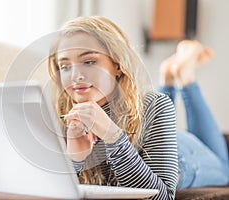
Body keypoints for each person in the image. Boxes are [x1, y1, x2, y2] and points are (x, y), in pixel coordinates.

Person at [48, 16, 178, 200]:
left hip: (187, 158)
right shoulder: (60, 114)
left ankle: (175, 78)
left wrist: (112, 135)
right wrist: (74, 160)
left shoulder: (156, 105)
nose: (76, 76)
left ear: (117, 65)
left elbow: (163, 197)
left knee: (221, 160)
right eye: (65, 66)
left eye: (89, 62)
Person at [158, 40, 229, 189]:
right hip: (166, 146)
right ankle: (168, 79)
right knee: (224, 170)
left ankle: (183, 78)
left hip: (168, 155)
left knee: (224, 169)